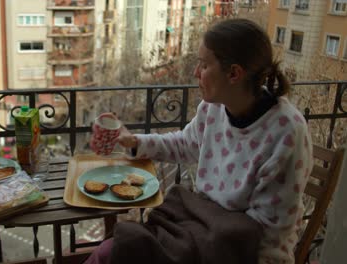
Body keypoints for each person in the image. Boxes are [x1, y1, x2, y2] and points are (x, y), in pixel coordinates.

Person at [85, 18, 313, 264]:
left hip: (237, 247)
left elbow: (268, 235)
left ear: (234, 73)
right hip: (199, 226)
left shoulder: (286, 132)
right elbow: (186, 144)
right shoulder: (214, 108)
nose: (195, 73)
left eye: (203, 65)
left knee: (115, 252)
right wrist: (134, 142)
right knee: (110, 251)